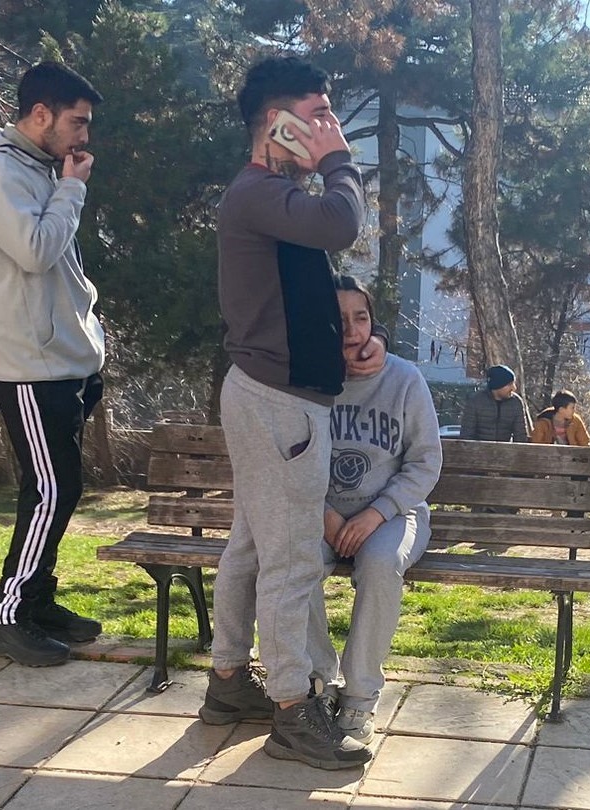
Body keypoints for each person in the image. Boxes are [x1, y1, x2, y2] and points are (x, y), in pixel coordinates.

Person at [199, 55, 387, 771]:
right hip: (279, 407)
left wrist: (352, 350)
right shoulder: (257, 192)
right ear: (277, 124)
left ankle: (227, 684)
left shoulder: (271, 196)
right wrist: (339, 162)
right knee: (290, 563)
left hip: (274, 397)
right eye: (318, 116)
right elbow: (342, 224)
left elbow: (305, 296)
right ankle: (291, 711)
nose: (331, 129)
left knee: (253, 546)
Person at [0, 61, 105, 667]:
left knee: (53, 490)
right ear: (40, 114)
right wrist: (72, 188)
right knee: (52, 489)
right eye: (77, 122)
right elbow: (36, 251)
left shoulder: (37, 167)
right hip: (30, 366)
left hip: (65, 362)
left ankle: (35, 601)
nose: (84, 137)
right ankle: (8, 616)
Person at [306, 275, 443, 744]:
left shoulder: (404, 378)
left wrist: (378, 512)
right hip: (320, 512)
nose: (352, 329)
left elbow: (426, 461)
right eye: (339, 319)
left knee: (382, 563)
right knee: (293, 562)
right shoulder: (305, 380)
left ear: (373, 322)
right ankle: (318, 684)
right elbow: (287, 457)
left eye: (361, 317)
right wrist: (323, 513)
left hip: (393, 513)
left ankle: (360, 697)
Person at [459, 364, 530, 443]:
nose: (514, 388)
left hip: (506, 450)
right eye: (509, 384)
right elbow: (466, 436)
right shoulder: (475, 401)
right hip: (479, 449)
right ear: (498, 385)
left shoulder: (516, 402)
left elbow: (520, 436)